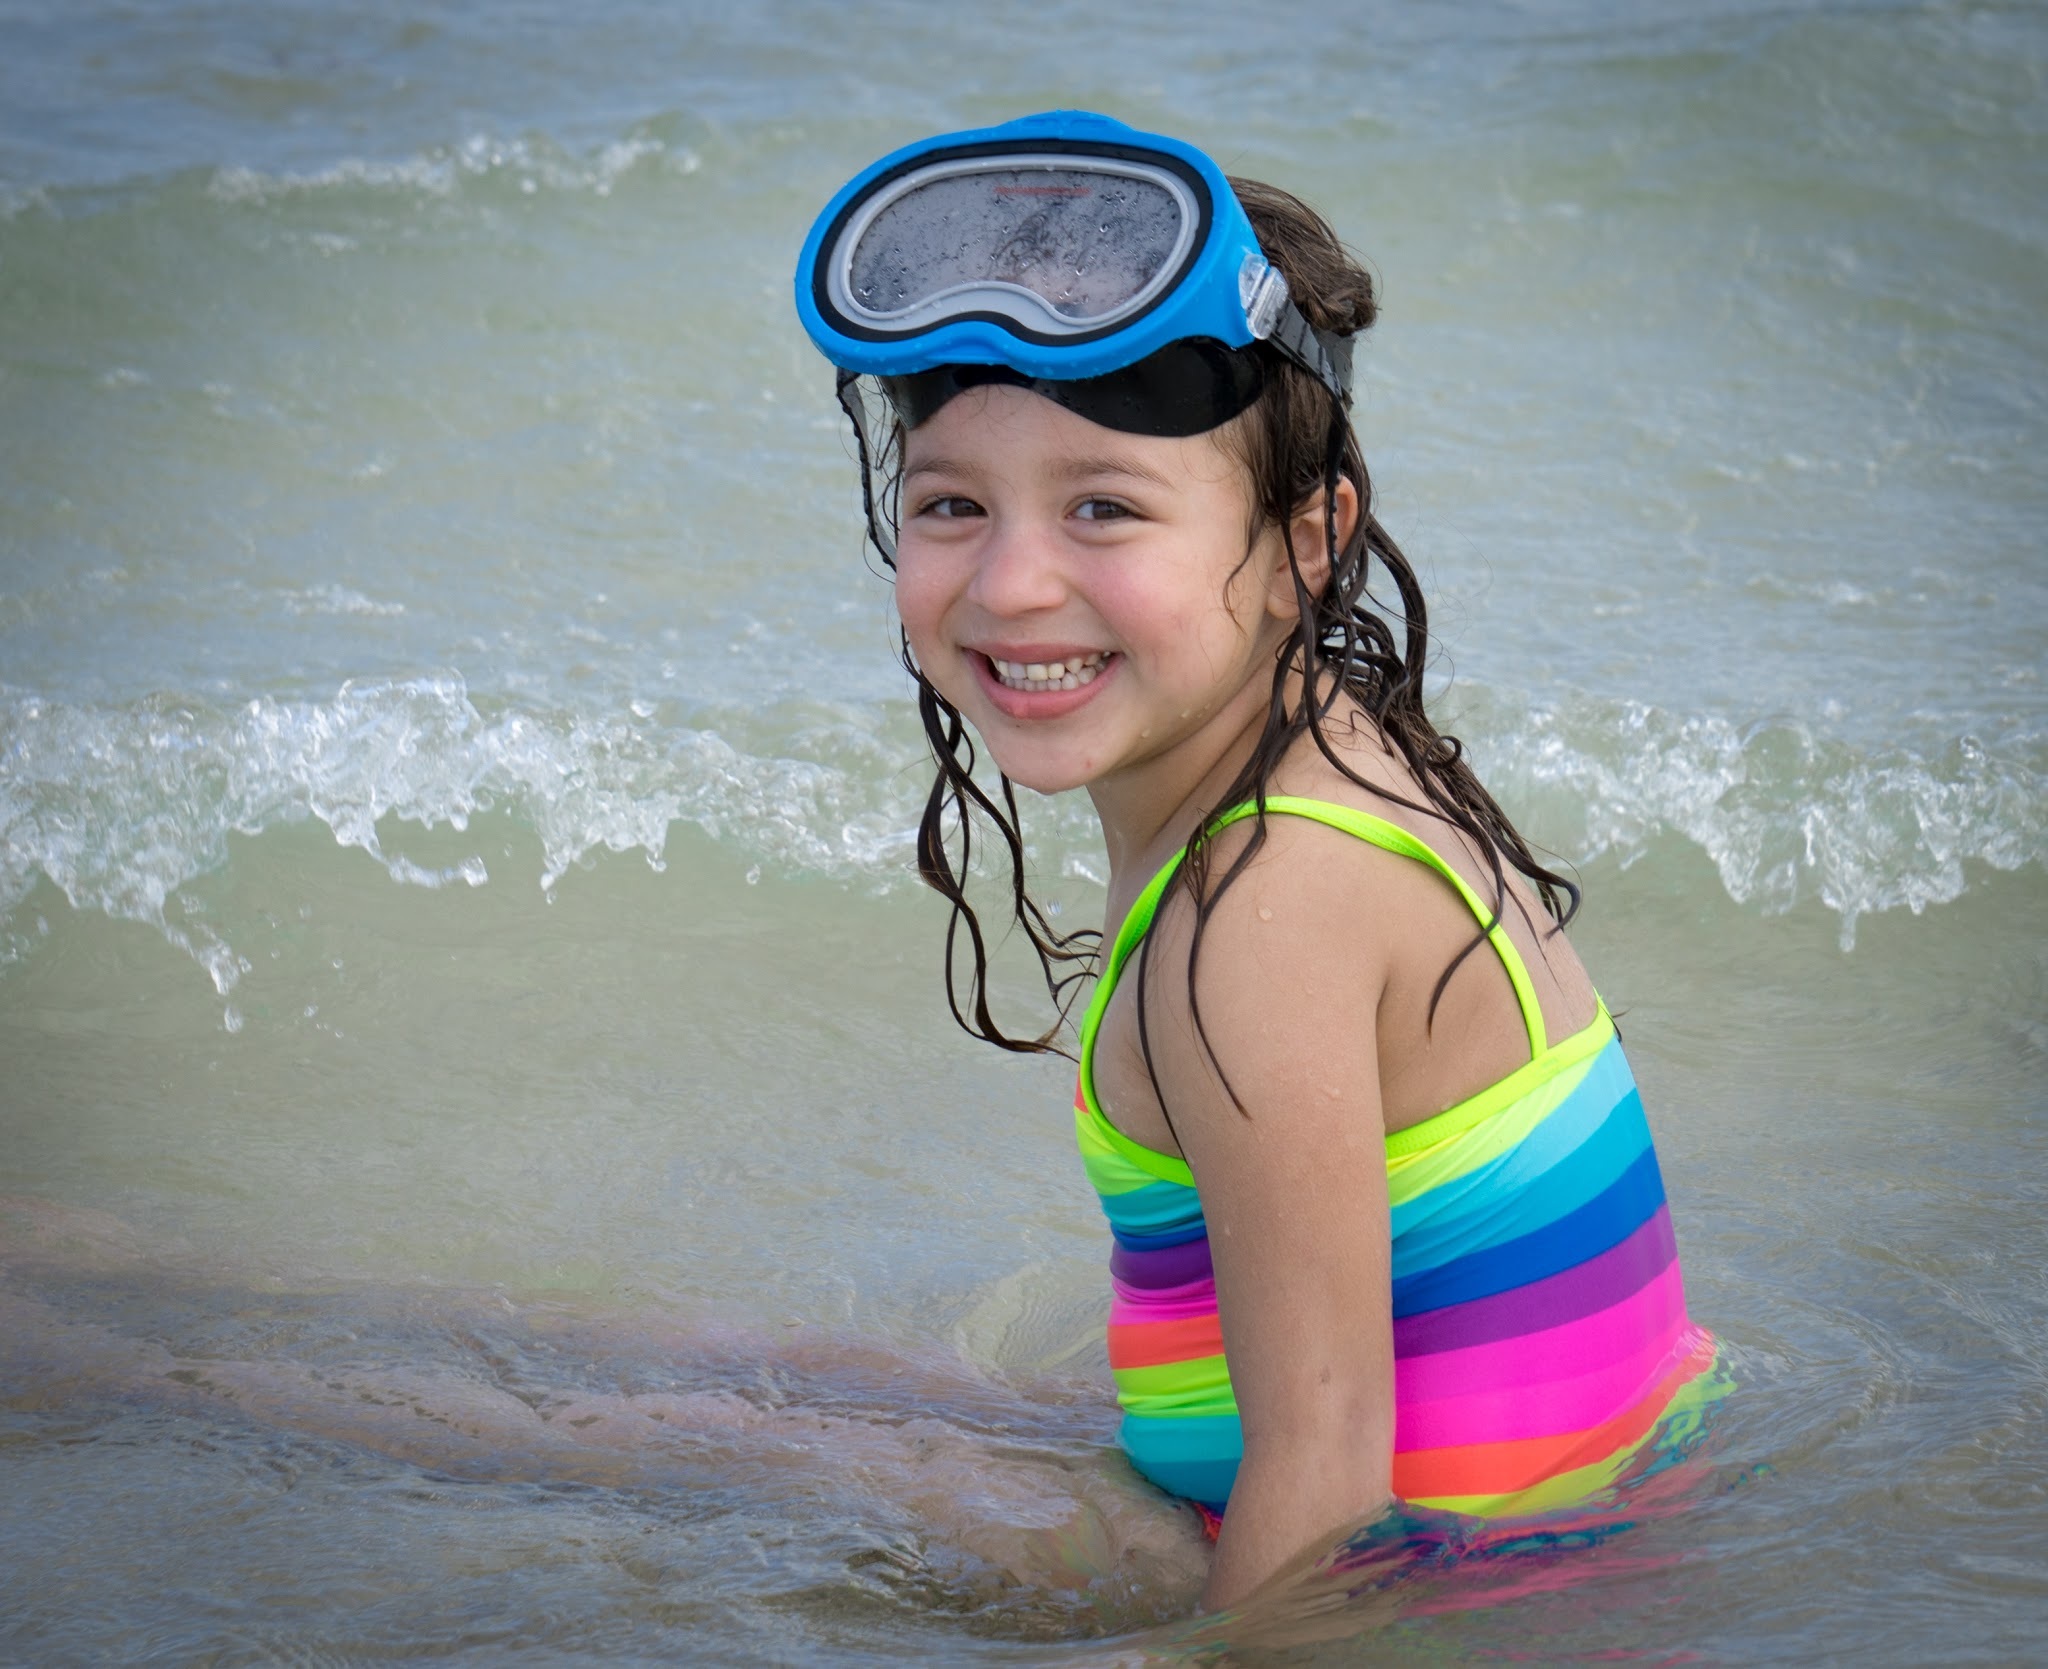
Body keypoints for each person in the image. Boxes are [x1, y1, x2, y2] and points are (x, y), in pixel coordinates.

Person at [795, 110, 1720, 1612]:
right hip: (1571, 1517)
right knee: (770, 1387)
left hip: (1476, 1598)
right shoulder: (1327, 762)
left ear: (1308, 541)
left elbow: (1332, 1462)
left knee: (710, 1446)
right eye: (952, 500)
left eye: (1104, 506)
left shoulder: (1263, 915)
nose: (1014, 579)